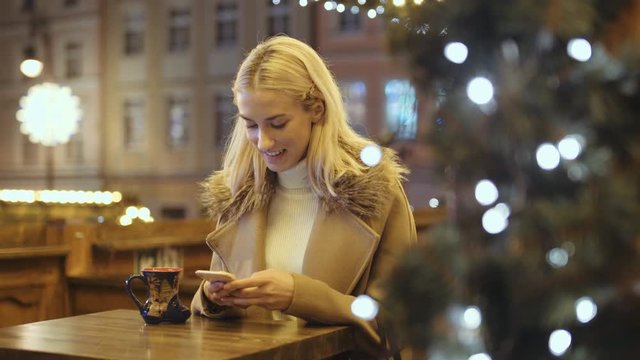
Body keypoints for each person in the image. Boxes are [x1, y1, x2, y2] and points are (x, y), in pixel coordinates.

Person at [191, 35, 417, 358]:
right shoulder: (239, 193)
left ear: (317, 110)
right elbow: (210, 325)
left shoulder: (379, 192)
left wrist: (301, 295)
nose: (264, 142)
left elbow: (397, 324)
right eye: (251, 125)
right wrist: (213, 299)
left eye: (277, 124)